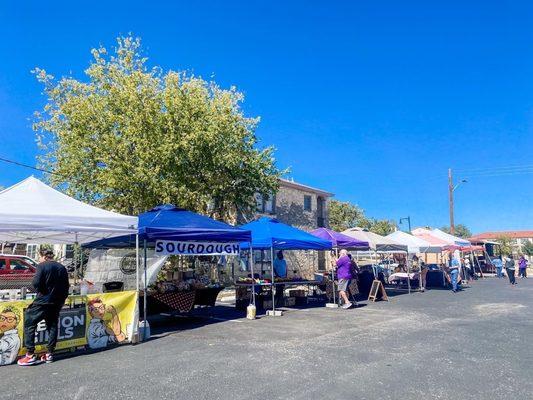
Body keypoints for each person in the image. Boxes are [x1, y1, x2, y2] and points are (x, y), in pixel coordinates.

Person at [17, 249, 69, 366]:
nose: (38, 259)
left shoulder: (42, 266)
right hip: (57, 301)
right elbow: (66, 286)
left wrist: (42, 291)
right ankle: (49, 353)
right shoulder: (62, 267)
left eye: (39, 257)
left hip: (43, 301)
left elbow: (35, 283)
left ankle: (30, 355)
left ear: (44, 256)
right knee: (52, 326)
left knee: (29, 322)